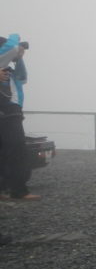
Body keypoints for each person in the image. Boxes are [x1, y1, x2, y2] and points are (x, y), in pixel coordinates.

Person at [0, 35, 40, 201]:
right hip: (8, 111)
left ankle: (5, 189)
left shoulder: (7, 69)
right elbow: (9, 47)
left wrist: (19, 59)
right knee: (17, 151)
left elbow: (23, 77)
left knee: (6, 151)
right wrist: (16, 40)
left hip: (13, 110)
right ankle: (18, 190)